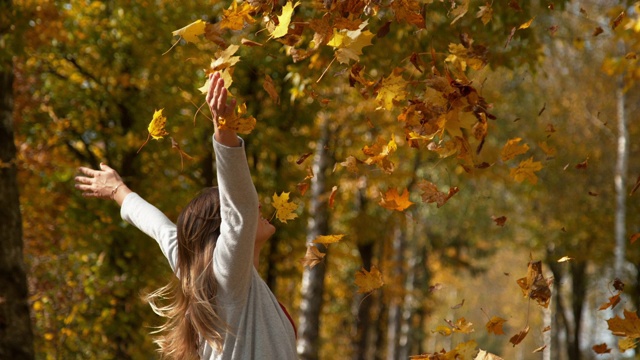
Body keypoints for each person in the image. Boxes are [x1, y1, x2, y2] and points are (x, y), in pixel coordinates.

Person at [74, 72, 298, 360]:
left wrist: (118, 190)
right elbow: (241, 208)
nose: (257, 208)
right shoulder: (226, 277)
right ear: (223, 232)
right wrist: (224, 131)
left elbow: (160, 229)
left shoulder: (200, 277)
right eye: (229, 210)